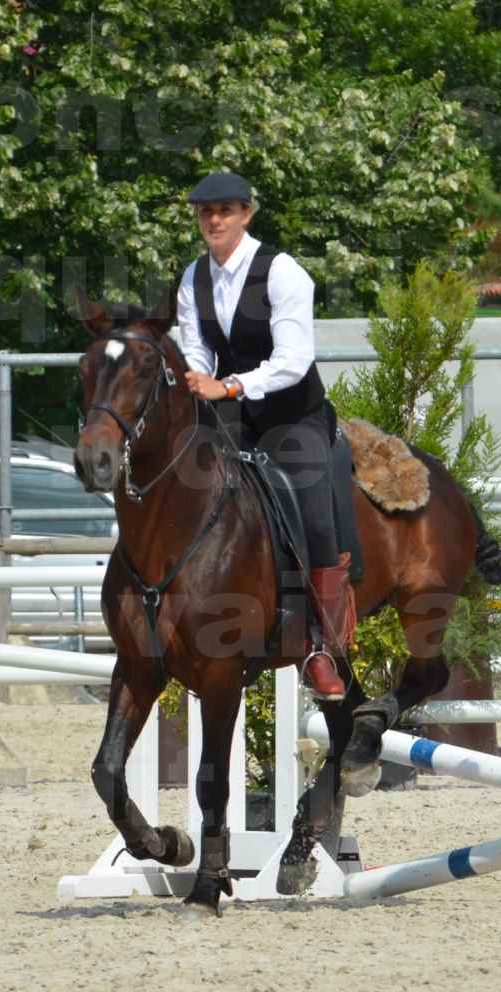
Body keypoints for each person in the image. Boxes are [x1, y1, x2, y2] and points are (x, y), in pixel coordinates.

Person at [176, 171, 354, 699]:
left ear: (246, 214)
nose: (214, 220)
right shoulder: (192, 278)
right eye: (206, 212)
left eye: (225, 211)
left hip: (291, 415)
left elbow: (293, 361)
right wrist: (197, 382)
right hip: (226, 416)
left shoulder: (283, 272)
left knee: (312, 515)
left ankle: (320, 646)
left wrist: (228, 386)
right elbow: (194, 349)